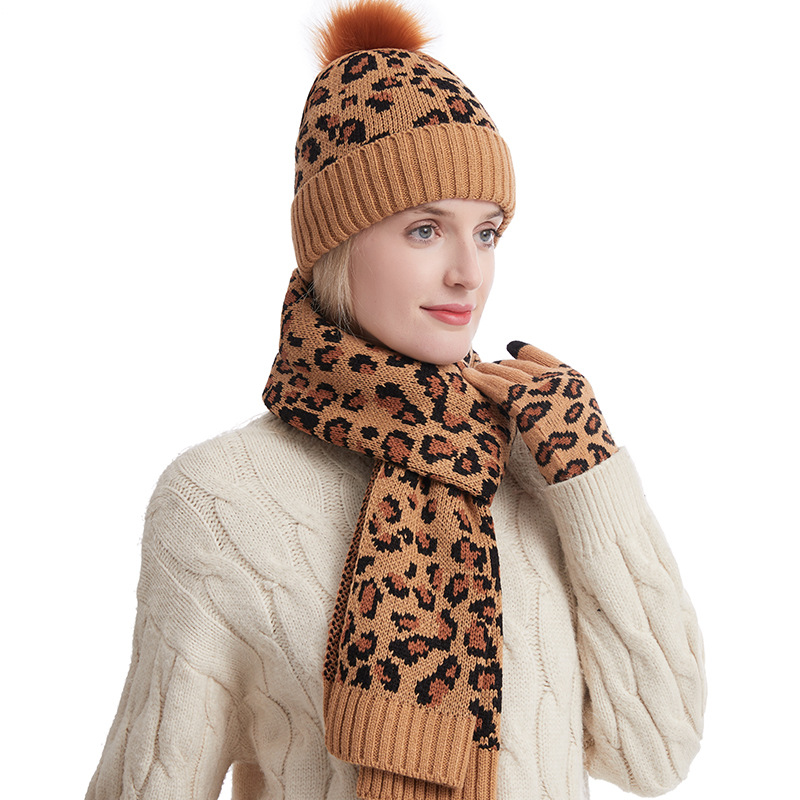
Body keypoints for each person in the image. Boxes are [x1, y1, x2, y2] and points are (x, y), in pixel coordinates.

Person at [86, 1, 706, 798]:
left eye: (487, 232)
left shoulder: (537, 462)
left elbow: (656, 756)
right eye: (424, 230)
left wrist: (590, 473)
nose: (468, 273)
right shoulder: (217, 502)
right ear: (336, 242)